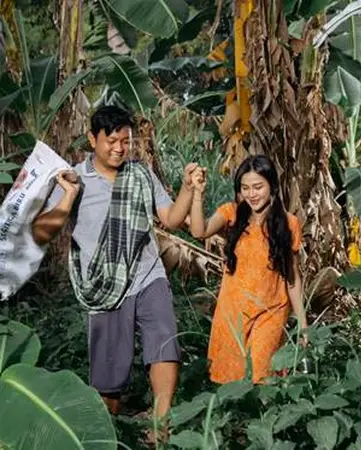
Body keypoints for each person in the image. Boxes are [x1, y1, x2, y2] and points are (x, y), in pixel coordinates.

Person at [32, 104, 198, 436]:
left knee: (164, 340)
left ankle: (160, 427)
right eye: (112, 141)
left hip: (148, 273)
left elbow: (171, 220)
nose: (120, 148)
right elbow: (41, 232)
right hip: (103, 285)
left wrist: (188, 188)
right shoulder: (75, 177)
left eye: (125, 141)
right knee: (108, 374)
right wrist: (68, 196)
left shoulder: (140, 174)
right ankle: (108, 433)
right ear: (93, 139)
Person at [188, 154, 308, 384]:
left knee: (262, 372)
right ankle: (240, 419)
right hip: (233, 311)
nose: (251, 194)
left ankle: (269, 416)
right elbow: (199, 231)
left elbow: (292, 277)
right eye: (245, 188)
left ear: (271, 185)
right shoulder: (231, 213)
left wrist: (303, 323)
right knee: (233, 380)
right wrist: (197, 195)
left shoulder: (289, 223)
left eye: (257, 187)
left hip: (271, 310)